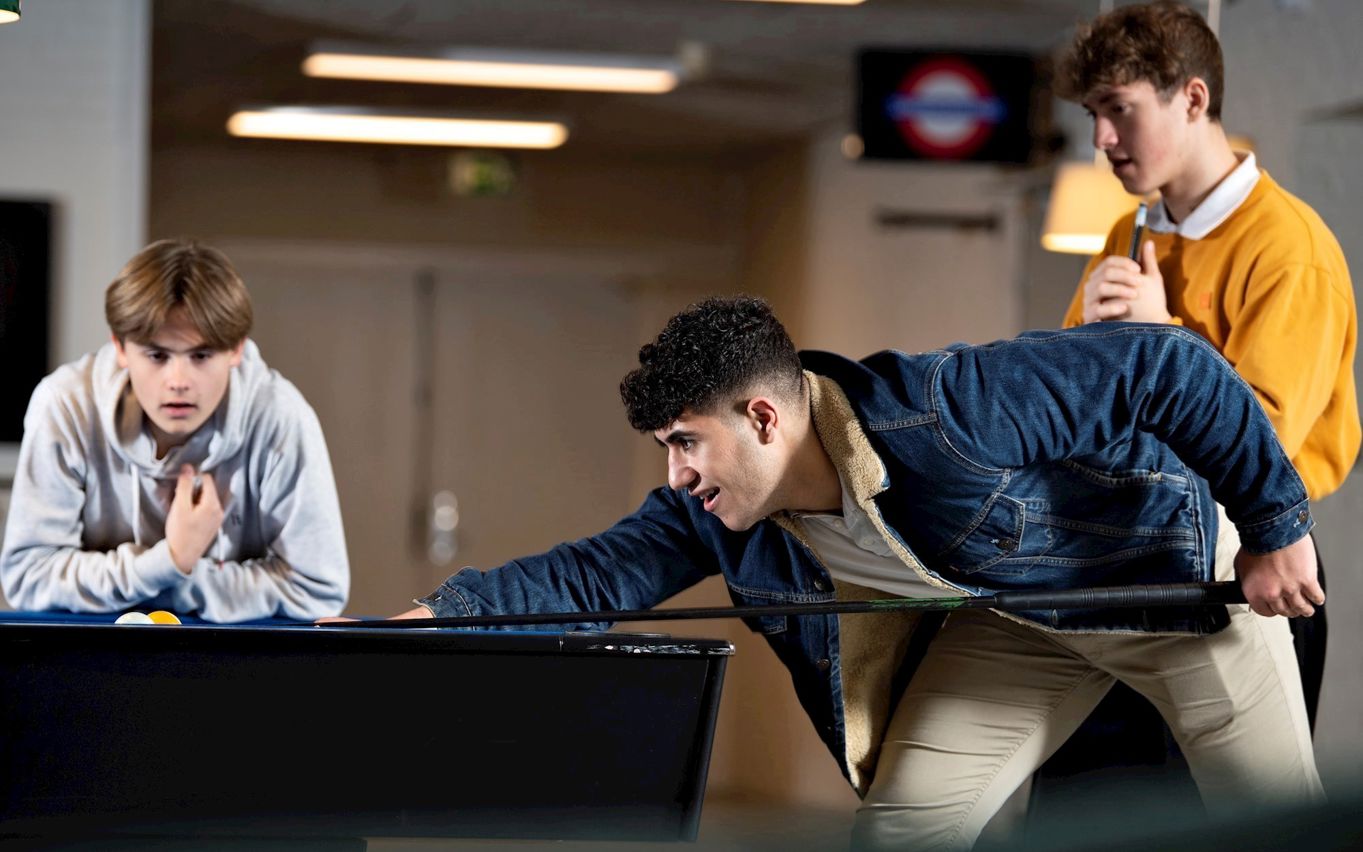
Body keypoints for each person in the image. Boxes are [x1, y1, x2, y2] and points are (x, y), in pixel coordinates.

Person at [354, 296, 1321, 849]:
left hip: (1165, 590)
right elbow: (593, 575)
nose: (676, 474)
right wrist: (438, 618)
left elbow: (1165, 366)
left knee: (1277, 828)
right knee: (901, 833)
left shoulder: (946, 408)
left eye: (686, 442)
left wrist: (1274, 528)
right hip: (1019, 623)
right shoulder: (719, 513)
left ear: (763, 419)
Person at [1057, 0, 1358, 728]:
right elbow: (1064, 410)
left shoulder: (1289, 247)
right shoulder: (1125, 232)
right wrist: (1080, 345)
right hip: (1118, 548)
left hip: (1242, 560)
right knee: (1086, 788)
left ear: (1192, 99)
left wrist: (1160, 333)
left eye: (1119, 109)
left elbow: (1264, 447)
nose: (1101, 139)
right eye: (1094, 114)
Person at [1, 239, 349, 622]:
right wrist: (170, 560)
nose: (179, 381)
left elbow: (318, 590)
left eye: (201, 355)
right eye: (157, 355)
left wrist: (180, 577)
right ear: (120, 347)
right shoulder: (66, 404)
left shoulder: (280, 417)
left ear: (236, 349)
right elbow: (27, 578)